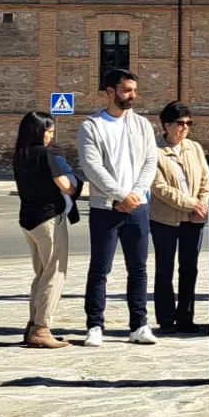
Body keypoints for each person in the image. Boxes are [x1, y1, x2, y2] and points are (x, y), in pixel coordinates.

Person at [76, 69, 159, 348]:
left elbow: (150, 161)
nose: (132, 95)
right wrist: (120, 195)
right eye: (126, 90)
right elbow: (92, 167)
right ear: (110, 91)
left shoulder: (142, 125)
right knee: (100, 268)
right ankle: (95, 325)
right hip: (105, 207)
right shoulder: (92, 126)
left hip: (138, 206)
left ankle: (139, 325)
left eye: (134, 90)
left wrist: (135, 194)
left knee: (138, 268)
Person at [12, 111, 75, 348]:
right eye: (49, 132)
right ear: (38, 132)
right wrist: (70, 174)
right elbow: (66, 186)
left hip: (28, 219)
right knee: (54, 273)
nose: (51, 136)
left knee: (40, 273)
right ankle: (41, 327)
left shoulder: (20, 155)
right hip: (49, 218)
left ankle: (33, 323)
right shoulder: (46, 155)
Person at [149, 101, 209, 337]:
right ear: (166, 124)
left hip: (194, 219)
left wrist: (203, 202)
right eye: (180, 123)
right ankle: (166, 319)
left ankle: (186, 317)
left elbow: (206, 180)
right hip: (165, 219)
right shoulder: (153, 150)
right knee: (164, 268)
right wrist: (190, 203)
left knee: (189, 268)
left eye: (188, 123)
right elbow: (159, 187)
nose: (185, 127)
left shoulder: (194, 148)